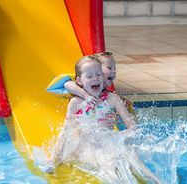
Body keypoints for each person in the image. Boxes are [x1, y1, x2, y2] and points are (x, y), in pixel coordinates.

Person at [54, 55, 161, 183]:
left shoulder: (113, 99)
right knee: (109, 165)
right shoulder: (76, 103)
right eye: (89, 76)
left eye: (99, 75)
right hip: (87, 148)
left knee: (132, 157)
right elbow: (65, 132)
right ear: (79, 81)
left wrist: (123, 137)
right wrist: (55, 159)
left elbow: (132, 126)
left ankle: (158, 181)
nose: (95, 78)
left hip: (110, 143)